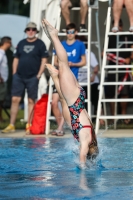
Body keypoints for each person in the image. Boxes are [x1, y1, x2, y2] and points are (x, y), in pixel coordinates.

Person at [42, 19, 98, 167]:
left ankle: (55, 76)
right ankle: (54, 36)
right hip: (75, 102)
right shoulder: (86, 140)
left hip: (76, 106)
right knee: (63, 65)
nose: (81, 149)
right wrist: (83, 169)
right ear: (88, 150)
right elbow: (82, 155)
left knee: (61, 98)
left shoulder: (88, 137)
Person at [2, 22, 49, 134]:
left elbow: (44, 60)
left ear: (36, 31)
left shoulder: (40, 44)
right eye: (28, 29)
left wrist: (39, 74)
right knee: (15, 99)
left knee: (31, 100)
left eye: (33, 29)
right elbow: (16, 58)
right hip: (19, 76)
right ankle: (11, 124)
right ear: (26, 31)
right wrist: (14, 73)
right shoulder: (21, 43)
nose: (31, 31)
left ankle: (29, 124)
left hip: (33, 76)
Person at [51, 22, 86, 136]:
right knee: (54, 103)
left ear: (75, 32)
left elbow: (84, 61)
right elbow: (56, 61)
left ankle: (61, 128)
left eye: (72, 32)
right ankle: (62, 125)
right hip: (59, 76)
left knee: (66, 103)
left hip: (71, 80)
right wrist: (64, 64)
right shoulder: (61, 44)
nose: (69, 34)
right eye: (67, 32)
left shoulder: (80, 44)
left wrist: (72, 64)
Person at [105, 19, 133, 124]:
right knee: (111, 94)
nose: (119, 27)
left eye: (121, 25)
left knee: (124, 93)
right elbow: (104, 53)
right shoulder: (110, 37)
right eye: (117, 25)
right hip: (112, 68)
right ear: (113, 26)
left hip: (124, 68)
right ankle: (113, 117)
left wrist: (130, 58)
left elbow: (132, 51)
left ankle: (124, 115)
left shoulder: (128, 36)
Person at [0, 36, 12, 122]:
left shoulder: (3, 53)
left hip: (3, 80)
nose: (11, 45)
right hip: (1, 81)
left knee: (1, 100)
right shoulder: (0, 53)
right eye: (10, 43)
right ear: (6, 43)